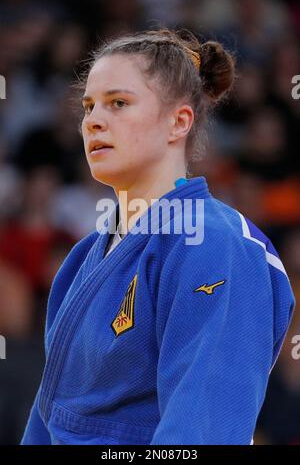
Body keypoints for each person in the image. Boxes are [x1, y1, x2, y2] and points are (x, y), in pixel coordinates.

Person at [21, 28, 295, 445]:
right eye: (89, 106)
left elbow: (201, 431)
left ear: (178, 122)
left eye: (118, 103)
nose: (93, 120)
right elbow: (50, 419)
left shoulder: (216, 243)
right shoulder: (81, 257)